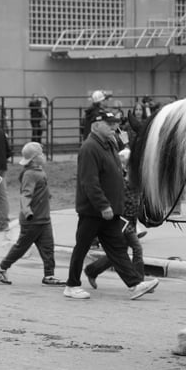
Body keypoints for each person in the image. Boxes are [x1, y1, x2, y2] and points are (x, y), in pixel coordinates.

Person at [64, 109, 159, 300]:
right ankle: (71, 285)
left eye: (115, 123)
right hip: (94, 211)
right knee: (81, 247)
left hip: (110, 210)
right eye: (109, 124)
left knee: (117, 248)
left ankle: (134, 284)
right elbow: (89, 181)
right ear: (96, 125)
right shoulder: (90, 147)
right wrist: (103, 205)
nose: (114, 126)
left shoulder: (109, 144)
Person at [0, 142, 66, 286]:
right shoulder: (30, 174)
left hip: (43, 218)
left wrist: (47, 195)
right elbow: (25, 195)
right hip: (32, 219)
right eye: (41, 154)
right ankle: (1, 268)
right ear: (34, 159)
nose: (43, 156)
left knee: (48, 247)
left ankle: (49, 275)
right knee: (21, 247)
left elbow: (41, 189)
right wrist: (27, 211)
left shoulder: (39, 171)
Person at [84, 148, 157, 292]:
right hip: (123, 221)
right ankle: (139, 281)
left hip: (130, 221)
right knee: (137, 248)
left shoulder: (135, 179)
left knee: (117, 253)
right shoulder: (121, 181)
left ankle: (92, 270)